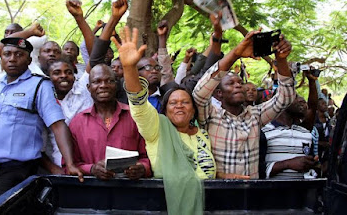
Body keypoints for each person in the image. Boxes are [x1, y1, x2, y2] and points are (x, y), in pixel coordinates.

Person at [113, 26, 216, 215]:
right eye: (173, 103)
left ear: (193, 110)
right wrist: (129, 68)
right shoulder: (157, 128)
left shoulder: (202, 133)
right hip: (165, 205)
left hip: (211, 203)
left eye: (185, 102)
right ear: (165, 110)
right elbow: (139, 106)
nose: (179, 106)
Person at [0, 37, 83, 206]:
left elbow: (58, 125)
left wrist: (70, 164)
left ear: (29, 60)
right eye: (7, 54)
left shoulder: (40, 86)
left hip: (17, 171)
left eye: (19, 55)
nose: (12, 59)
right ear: (1, 58)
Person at [193, 30, 296, 179]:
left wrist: (281, 60)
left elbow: (285, 98)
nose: (238, 86)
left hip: (250, 195)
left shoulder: (255, 115)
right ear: (219, 94)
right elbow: (199, 92)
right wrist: (236, 53)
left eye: (240, 83)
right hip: (218, 192)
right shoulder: (210, 115)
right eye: (230, 83)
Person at [67, 64, 151, 180]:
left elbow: (149, 156)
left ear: (116, 85)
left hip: (131, 190)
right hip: (91, 192)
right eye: (97, 82)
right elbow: (70, 165)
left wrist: (142, 168)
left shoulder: (135, 117)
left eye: (109, 81)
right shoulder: (77, 123)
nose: (103, 86)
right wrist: (92, 169)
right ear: (88, 87)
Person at [261, 71, 319, 179]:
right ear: (280, 101)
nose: (301, 99)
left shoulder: (304, 132)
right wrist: (287, 164)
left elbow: (312, 107)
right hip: (272, 194)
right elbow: (255, 169)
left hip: (300, 194)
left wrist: (312, 81)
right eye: (295, 97)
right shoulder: (263, 131)